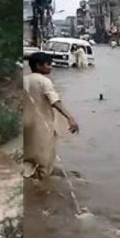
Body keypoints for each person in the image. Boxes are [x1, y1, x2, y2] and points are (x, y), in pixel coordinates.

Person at [23, 52, 79, 180]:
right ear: (39, 65)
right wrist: (70, 117)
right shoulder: (45, 81)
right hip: (42, 127)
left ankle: (29, 186)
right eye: (48, 64)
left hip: (26, 125)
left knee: (28, 158)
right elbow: (55, 102)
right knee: (44, 160)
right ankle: (41, 189)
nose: (51, 67)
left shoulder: (24, 80)